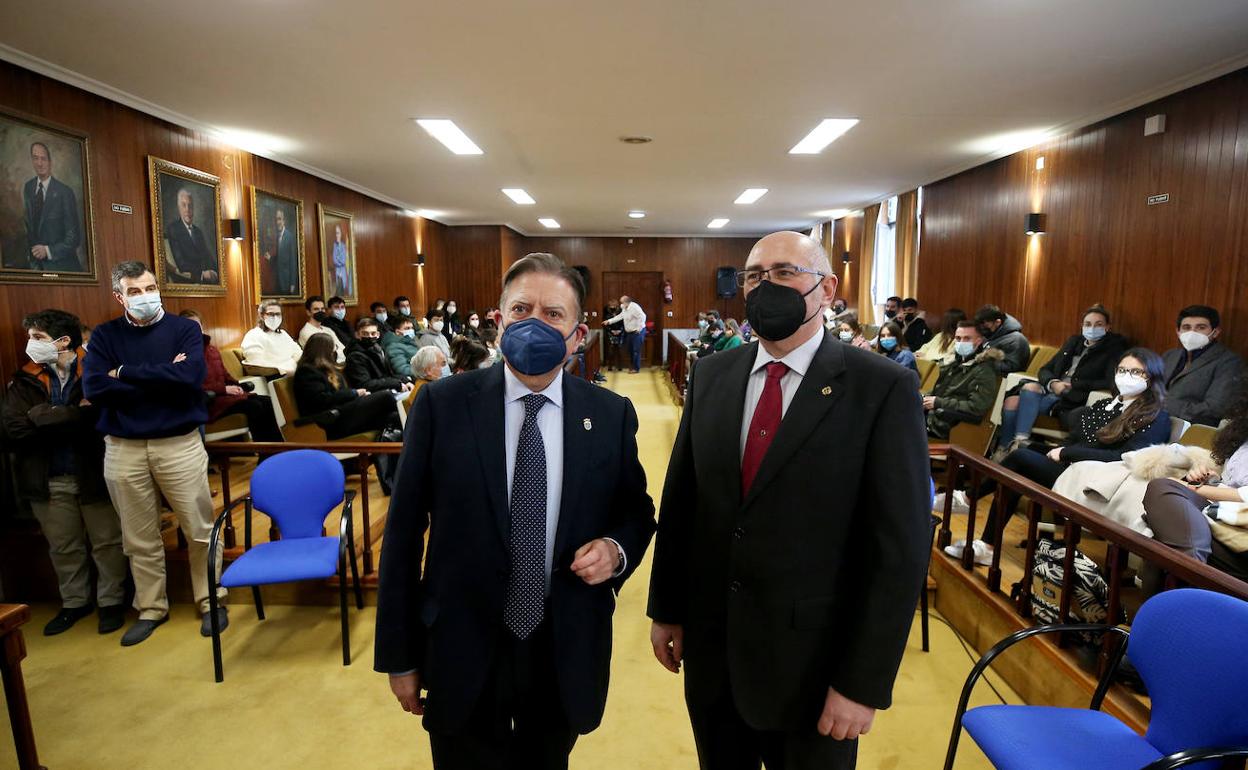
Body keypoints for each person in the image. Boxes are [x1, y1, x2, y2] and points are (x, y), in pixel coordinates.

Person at [648, 232, 929, 770]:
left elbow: (899, 548)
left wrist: (862, 682)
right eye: (754, 276)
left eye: (784, 272)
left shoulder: (881, 388)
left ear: (827, 288)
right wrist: (667, 609)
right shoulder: (712, 374)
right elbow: (683, 503)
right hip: (714, 652)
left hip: (815, 670)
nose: (765, 286)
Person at [376, 252, 656, 770]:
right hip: (461, 643)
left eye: (553, 315)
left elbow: (636, 511)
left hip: (562, 642)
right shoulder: (441, 405)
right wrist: (399, 653)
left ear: (578, 336)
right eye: (522, 309)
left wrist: (615, 551)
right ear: (499, 323)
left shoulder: (610, 414)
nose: (535, 323)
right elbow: (404, 533)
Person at [82, 261, 226, 646]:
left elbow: (189, 378)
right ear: (119, 297)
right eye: (134, 291)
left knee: (198, 528)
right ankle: (151, 607)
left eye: (149, 288)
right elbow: (95, 387)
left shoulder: (184, 330)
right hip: (123, 447)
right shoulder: (104, 336)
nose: (144, 296)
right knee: (139, 535)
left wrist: (124, 373)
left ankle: (211, 598)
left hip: (177, 443)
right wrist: (162, 375)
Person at [951, 349, 1172, 566]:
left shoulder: (1156, 416)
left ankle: (970, 502)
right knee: (1022, 451)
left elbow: (1122, 457)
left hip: (1095, 482)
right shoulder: (1104, 405)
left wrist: (1066, 453)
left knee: (1020, 459)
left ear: (1151, 378)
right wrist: (1061, 450)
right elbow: (1075, 438)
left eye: (1136, 372)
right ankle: (985, 540)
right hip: (1074, 468)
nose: (1126, 376)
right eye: (1122, 370)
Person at [2, 308, 127, 636]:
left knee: (107, 542)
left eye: (38, 338)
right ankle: (75, 602)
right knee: (63, 546)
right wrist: (70, 416)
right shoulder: (25, 376)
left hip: (93, 472)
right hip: (48, 476)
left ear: (63, 341)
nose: (30, 344)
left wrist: (42, 417)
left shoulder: (95, 371)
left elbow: (96, 420)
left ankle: (111, 602)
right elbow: (12, 427)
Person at [1142, 384, 1248, 590]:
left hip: (1241, 535)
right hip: (1225, 518)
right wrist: (1210, 479)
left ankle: (1190, 570)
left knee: (1164, 496)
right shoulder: (1242, 436)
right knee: (1163, 495)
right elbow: (1230, 483)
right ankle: (1189, 572)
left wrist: (1197, 489)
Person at [994, 305, 1127, 460]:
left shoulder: (1113, 349)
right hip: (1051, 391)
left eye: (1098, 324)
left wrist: (1075, 385)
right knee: (1018, 396)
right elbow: (1045, 369)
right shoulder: (1074, 342)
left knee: (1014, 401)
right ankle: (1009, 446)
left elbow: (1109, 381)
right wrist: (1053, 382)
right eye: (1088, 324)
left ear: (1107, 327)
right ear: (1082, 326)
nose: (1092, 328)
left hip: (1071, 398)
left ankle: (1015, 446)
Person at [180, 310, 283, 442]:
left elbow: (225, 375)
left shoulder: (212, 350)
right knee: (255, 407)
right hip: (208, 402)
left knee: (266, 401)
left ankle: (275, 450)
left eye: (197, 325)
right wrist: (224, 389)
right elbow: (192, 385)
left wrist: (237, 386)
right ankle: (263, 451)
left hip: (225, 397)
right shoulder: (183, 354)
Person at [293, 334, 399, 440]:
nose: (334, 352)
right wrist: (354, 393)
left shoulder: (328, 370)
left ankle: (390, 453)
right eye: (333, 348)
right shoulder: (307, 371)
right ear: (324, 350)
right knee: (386, 396)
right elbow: (321, 400)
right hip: (332, 420)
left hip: (344, 413)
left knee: (394, 417)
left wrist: (357, 396)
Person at [1161, 304, 1245, 426]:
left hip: (1192, 429)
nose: (1192, 332)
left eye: (1201, 327)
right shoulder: (1169, 356)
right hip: (1156, 422)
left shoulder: (1230, 362)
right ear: (1178, 332)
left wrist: (1165, 406)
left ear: (1215, 332)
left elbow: (1215, 408)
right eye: (1186, 327)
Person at [923, 320, 1003, 439]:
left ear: (979, 341)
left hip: (949, 424)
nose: (961, 342)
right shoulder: (955, 362)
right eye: (958, 338)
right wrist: (924, 398)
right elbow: (942, 391)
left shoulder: (984, 370)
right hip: (932, 417)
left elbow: (976, 407)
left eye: (967, 338)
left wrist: (938, 402)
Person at [22, 141, 82, 272]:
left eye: (43, 158)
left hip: (63, 268)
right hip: (36, 268)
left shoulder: (65, 192)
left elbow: (74, 238)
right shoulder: (28, 187)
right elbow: (29, 229)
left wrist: (48, 251)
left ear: (50, 162)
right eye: (35, 158)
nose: (39, 163)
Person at [163, 188, 218, 284]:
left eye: (190, 206)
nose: (187, 210)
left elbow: (207, 257)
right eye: (184, 205)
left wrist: (215, 272)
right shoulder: (173, 229)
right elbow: (181, 264)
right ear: (179, 207)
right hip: (187, 281)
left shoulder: (198, 232)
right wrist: (202, 274)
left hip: (205, 284)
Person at [345, 317, 413, 394]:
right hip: (373, 395)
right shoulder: (355, 356)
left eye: (373, 333)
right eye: (365, 334)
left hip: (386, 390)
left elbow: (389, 374)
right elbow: (365, 384)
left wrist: (405, 380)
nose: (370, 337)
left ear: (378, 335)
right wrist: (395, 383)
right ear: (357, 335)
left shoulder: (378, 350)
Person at [241, 300, 302, 376]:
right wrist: (286, 366)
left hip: (292, 373)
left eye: (278, 314)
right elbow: (257, 364)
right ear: (261, 315)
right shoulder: (253, 335)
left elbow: (299, 354)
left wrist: (288, 365)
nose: (275, 317)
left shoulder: (283, 334)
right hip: (273, 377)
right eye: (270, 314)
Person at [974, 304, 1031, 375]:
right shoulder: (992, 335)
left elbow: (1012, 367)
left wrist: (983, 364)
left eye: (986, 325)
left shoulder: (1015, 340)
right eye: (980, 325)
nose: (982, 328)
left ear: (998, 322)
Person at [604, 295, 647, 373]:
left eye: (622, 303)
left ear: (626, 302)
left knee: (635, 350)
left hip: (638, 332)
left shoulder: (635, 307)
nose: (621, 305)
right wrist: (609, 321)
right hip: (630, 332)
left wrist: (639, 328)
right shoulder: (624, 307)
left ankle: (636, 368)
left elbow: (643, 316)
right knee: (630, 350)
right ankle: (632, 367)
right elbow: (620, 316)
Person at [298, 295, 346, 364]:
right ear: (308, 312)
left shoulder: (327, 329)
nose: (320, 311)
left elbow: (342, 348)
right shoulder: (306, 331)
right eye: (316, 309)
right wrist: (337, 350)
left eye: (322, 309)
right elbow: (324, 354)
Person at [262, 207, 298, 296]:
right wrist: (270, 258)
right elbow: (277, 259)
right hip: (275, 281)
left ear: (284, 220)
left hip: (286, 281)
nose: (278, 222)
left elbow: (293, 262)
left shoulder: (289, 237)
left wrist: (292, 283)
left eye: (279, 219)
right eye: (276, 220)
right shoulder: (274, 237)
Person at [330, 224, 351, 297]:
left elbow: (343, 260)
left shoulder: (343, 246)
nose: (337, 235)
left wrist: (338, 260)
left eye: (338, 233)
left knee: (343, 289)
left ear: (341, 234)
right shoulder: (334, 245)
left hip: (342, 271)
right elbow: (334, 259)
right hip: (336, 272)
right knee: (337, 291)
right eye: (336, 233)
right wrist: (338, 260)